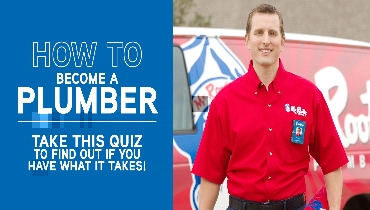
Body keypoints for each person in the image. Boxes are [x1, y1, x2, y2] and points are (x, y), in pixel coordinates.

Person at [191, 3, 348, 210]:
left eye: (272, 33)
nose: (266, 40)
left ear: (282, 42)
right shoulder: (225, 101)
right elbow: (211, 174)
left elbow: (333, 164)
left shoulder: (309, 96)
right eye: (259, 32)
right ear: (247, 40)